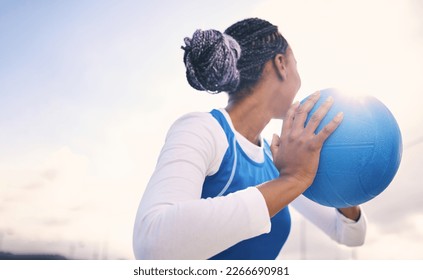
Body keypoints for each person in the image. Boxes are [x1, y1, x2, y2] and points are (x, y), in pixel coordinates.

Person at [133, 17, 366, 260]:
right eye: (296, 64)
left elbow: (350, 234)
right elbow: (153, 245)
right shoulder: (202, 129)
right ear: (281, 64)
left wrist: (335, 171)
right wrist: (294, 178)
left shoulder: (275, 159)